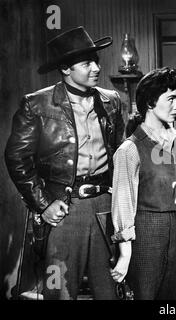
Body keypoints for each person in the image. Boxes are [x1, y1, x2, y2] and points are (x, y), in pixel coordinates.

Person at [4, 26, 125, 300]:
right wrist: (43, 204)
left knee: (110, 291)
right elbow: (16, 157)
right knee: (58, 291)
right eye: (87, 63)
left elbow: (120, 152)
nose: (96, 67)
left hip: (105, 207)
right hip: (64, 211)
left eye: (96, 61)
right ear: (66, 69)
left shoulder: (112, 101)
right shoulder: (37, 105)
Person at [110, 67, 176, 300]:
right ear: (150, 102)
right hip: (146, 234)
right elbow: (123, 203)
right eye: (170, 99)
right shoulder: (129, 150)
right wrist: (125, 254)